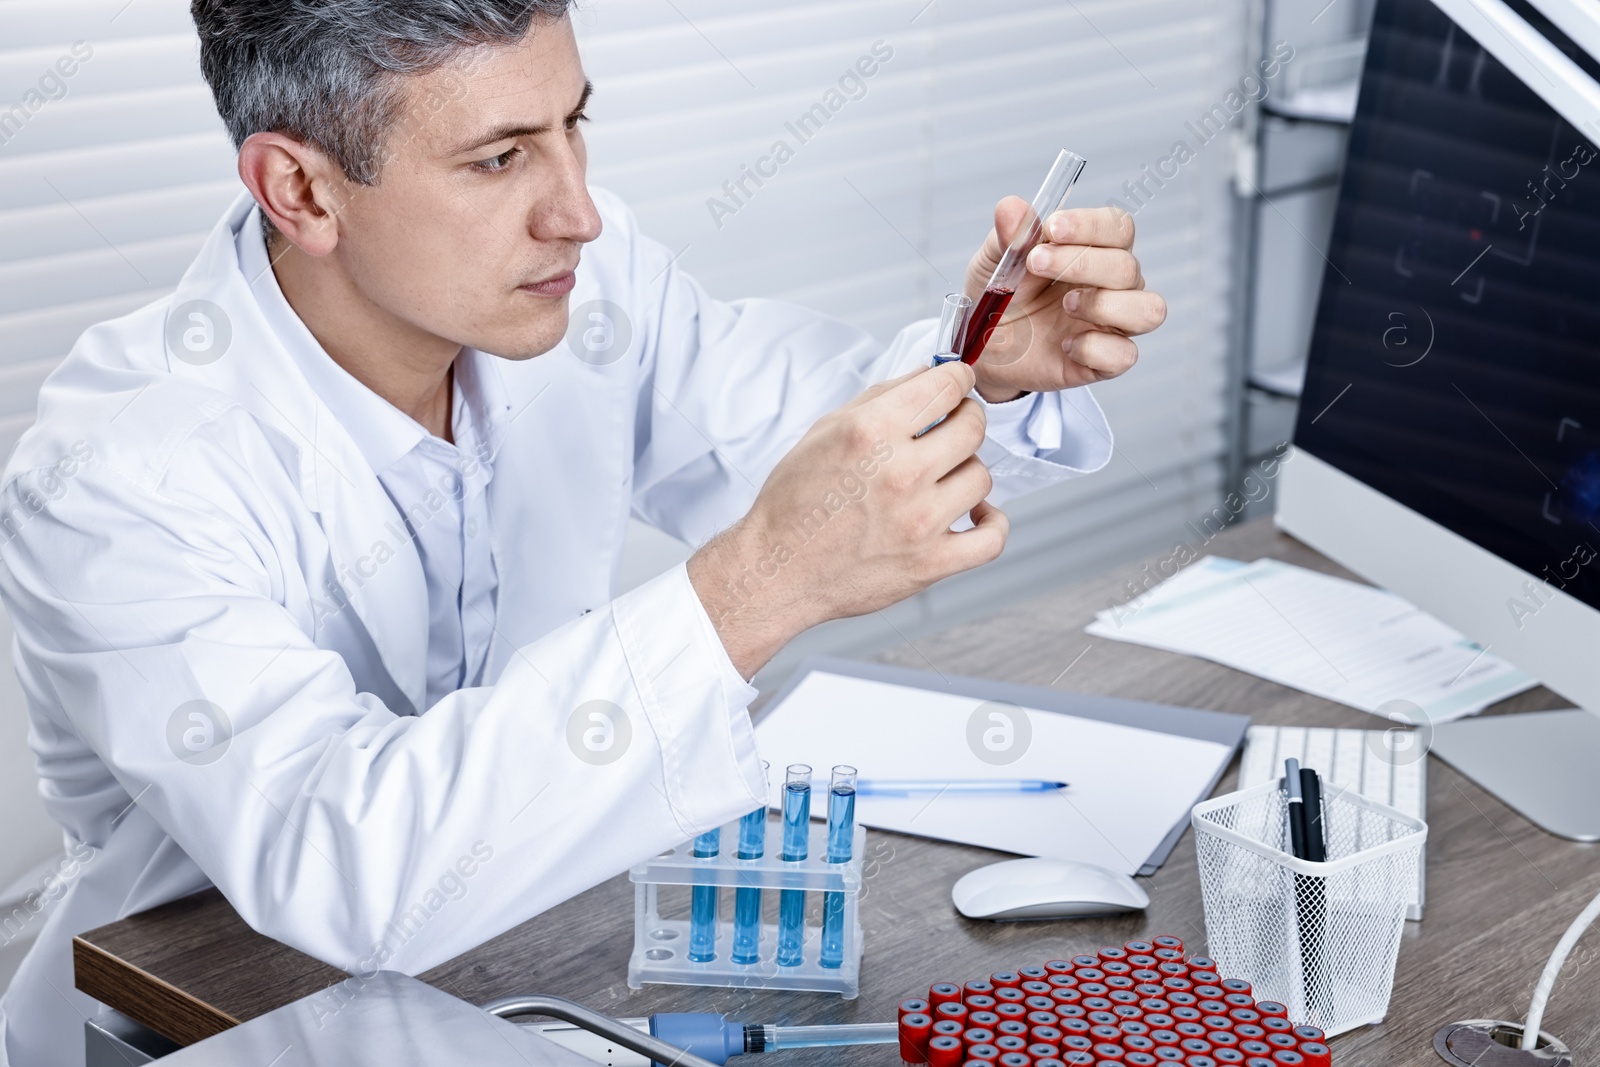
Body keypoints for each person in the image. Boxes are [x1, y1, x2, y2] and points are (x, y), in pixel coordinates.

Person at [0, 2, 1166, 1062]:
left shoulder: (579, 284)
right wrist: (753, 588)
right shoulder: (118, 472)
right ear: (300, 191)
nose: (579, 209)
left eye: (574, 125)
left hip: (508, 968)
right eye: (500, 157)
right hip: (194, 1023)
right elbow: (344, 858)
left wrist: (987, 367)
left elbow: (816, 449)